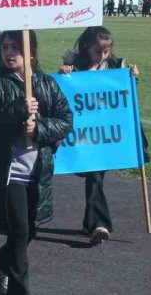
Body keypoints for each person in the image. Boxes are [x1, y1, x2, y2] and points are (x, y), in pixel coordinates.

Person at [0, 29, 73, 295]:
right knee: (19, 232)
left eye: (15, 47)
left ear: (31, 53)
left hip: (38, 172)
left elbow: (65, 120)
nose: (8, 53)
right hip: (7, 174)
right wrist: (15, 110)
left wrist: (39, 130)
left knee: (30, 230)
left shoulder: (46, 83)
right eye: (5, 47)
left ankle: (2, 261)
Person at [59, 26, 141, 245]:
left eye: (106, 51)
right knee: (93, 177)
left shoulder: (116, 66)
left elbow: (125, 94)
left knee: (95, 176)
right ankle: (93, 223)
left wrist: (132, 78)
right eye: (98, 51)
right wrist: (64, 74)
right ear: (87, 48)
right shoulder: (74, 66)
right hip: (82, 135)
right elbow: (61, 92)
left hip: (106, 135)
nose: (103, 56)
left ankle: (97, 225)